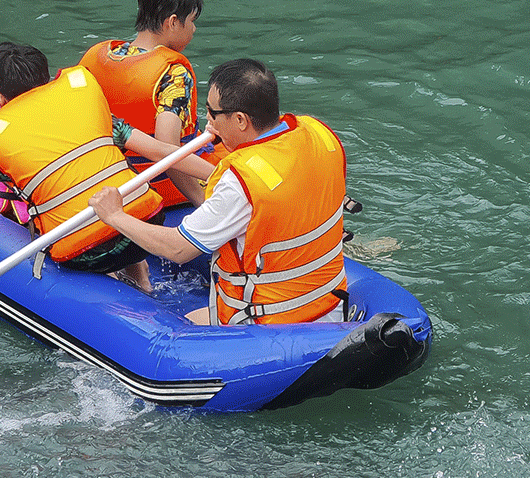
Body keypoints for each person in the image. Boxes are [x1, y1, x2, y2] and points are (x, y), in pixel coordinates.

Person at [0, 42, 214, 291]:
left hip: (85, 252)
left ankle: (113, 286)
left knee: (50, 215)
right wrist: (221, 174)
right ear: (45, 80)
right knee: (108, 187)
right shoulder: (89, 110)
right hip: (147, 224)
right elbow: (165, 153)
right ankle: (143, 282)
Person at [89, 58, 348, 326]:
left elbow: (177, 249)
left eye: (213, 113)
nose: (208, 121)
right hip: (329, 306)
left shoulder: (240, 183)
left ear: (240, 120)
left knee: (185, 322)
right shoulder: (320, 136)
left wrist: (115, 216)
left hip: (270, 324)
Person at [79, 0, 227, 207]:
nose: (194, 29)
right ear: (172, 22)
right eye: (191, 21)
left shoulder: (96, 55)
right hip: (157, 186)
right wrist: (202, 201)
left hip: (108, 175)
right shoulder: (173, 73)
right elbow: (168, 153)